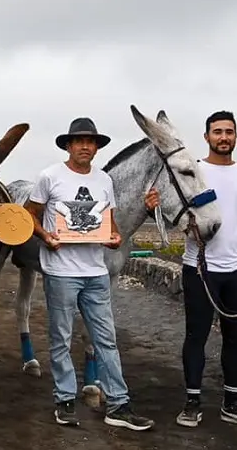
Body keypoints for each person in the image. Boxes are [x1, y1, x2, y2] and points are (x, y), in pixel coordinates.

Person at [24, 117, 154, 431]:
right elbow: (29, 215)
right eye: (79, 141)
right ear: (68, 145)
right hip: (61, 271)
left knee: (106, 340)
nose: (85, 146)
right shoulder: (50, 177)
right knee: (61, 339)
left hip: (96, 271)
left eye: (91, 141)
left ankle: (119, 404)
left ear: (96, 147)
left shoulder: (104, 180)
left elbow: (107, 219)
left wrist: (115, 236)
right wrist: (46, 237)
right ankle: (64, 400)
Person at [171, 111, 237, 430]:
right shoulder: (194, 171)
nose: (224, 137)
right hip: (200, 268)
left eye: (229, 131)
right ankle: (192, 403)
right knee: (196, 336)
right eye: (217, 131)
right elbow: (174, 212)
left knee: (235, 339)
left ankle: (232, 403)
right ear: (207, 137)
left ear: (236, 137)